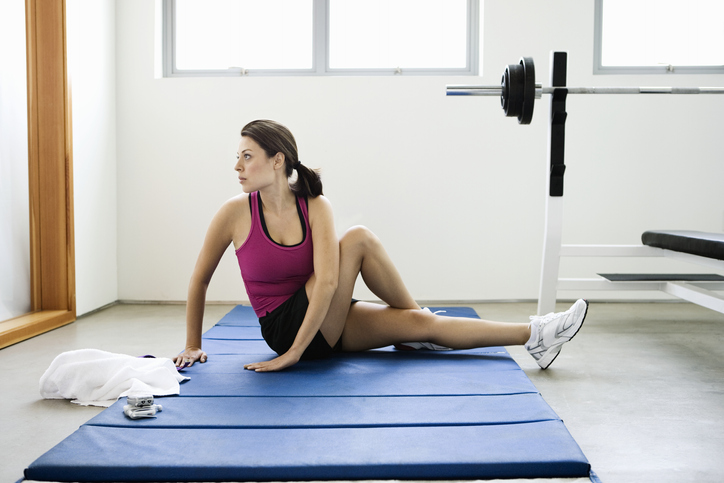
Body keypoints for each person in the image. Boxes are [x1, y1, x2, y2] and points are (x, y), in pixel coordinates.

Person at [174, 120, 588, 373]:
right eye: (238, 157)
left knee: (422, 327)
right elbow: (199, 279)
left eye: (247, 156)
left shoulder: (314, 207)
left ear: (278, 160)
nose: (237, 166)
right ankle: (415, 317)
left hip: (324, 319)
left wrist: (305, 348)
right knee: (358, 239)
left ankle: (535, 335)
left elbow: (327, 284)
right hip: (285, 329)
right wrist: (196, 344)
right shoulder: (235, 213)